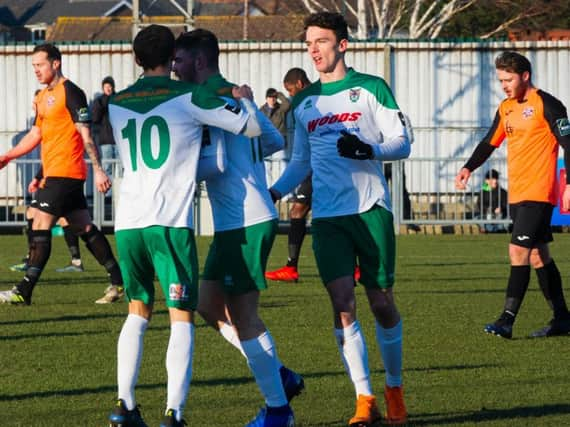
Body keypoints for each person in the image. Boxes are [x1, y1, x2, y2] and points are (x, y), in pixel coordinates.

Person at [106, 25, 262, 427]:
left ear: (136, 58)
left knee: (137, 311)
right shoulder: (188, 96)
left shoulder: (117, 102)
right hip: (169, 222)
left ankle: (125, 405)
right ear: (172, 55)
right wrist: (241, 100)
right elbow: (249, 128)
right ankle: (174, 412)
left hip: (128, 223)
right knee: (181, 316)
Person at [269, 12, 410, 426]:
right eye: (309, 42)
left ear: (342, 45)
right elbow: (301, 161)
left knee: (382, 303)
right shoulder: (304, 102)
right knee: (342, 304)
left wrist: (367, 149)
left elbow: (402, 142)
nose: (313, 49)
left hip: (370, 210)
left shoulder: (370, 88)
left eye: (322, 41)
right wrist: (274, 191)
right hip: (328, 218)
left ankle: (395, 387)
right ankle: (364, 398)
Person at [173, 29, 299, 427]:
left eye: (179, 60)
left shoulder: (207, 98)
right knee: (207, 305)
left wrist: (180, 173)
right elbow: (275, 139)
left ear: (198, 62)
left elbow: (221, 162)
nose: (173, 68)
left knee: (244, 318)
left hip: (245, 219)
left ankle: (278, 410)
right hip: (239, 219)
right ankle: (278, 374)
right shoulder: (234, 95)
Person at [455, 51, 570, 339]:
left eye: (509, 79)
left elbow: (569, 143)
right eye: (501, 80)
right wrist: (469, 167)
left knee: (517, 251)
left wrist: (568, 184)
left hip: (539, 192)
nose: (504, 85)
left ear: (525, 76)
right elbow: (489, 142)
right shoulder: (506, 107)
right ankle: (562, 319)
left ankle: (506, 320)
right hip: (517, 194)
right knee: (538, 256)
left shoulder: (548, 104)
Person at [0, 43, 124, 305]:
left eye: (40, 64)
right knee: (83, 226)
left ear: (56, 63)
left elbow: (86, 134)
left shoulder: (71, 91)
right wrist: (8, 156)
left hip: (66, 173)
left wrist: (99, 170)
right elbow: (37, 135)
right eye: (33, 66)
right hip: (56, 173)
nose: (36, 70)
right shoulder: (42, 97)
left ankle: (24, 290)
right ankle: (119, 281)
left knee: (39, 223)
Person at [265, 68, 312, 283]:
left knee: (301, 212)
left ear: (300, 84)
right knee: (298, 211)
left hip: (320, 170)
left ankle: (292, 267)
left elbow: (302, 158)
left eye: (291, 90)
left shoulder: (311, 104)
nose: (290, 95)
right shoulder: (303, 107)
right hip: (313, 169)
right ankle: (291, 267)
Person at [92, 76, 118, 182]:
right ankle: (108, 197)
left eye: (110, 86)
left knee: (120, 169)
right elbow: (95, 118)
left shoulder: (118, 99)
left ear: (113, 87)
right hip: (105, 140)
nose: (108, 88)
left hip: (119, 140)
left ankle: (119, 196)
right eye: (106, 86)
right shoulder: (99, 101)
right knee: (107, 169)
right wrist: (101, 105)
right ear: (103, 88)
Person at [476, 168, 508, 233]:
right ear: (486, 181)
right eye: (493, 179)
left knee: (507, 221)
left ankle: (496, 228)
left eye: (496, 179)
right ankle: (493, 228)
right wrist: (489, 209)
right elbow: (479, 205)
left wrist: (501, 208)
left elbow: (506, 204)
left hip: (500, 217)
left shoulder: (503, 192)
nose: (495, 181)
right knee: (477, 219)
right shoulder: (483, 192)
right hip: (487, 216)